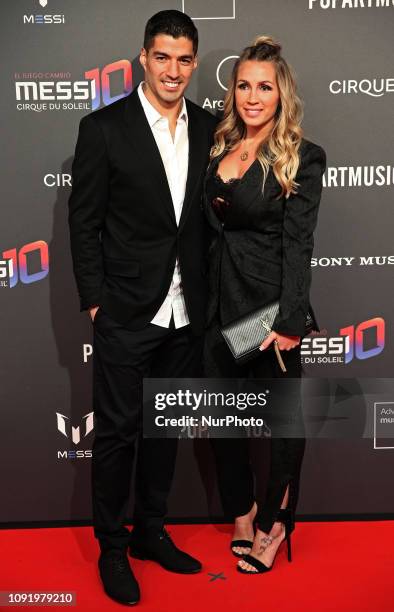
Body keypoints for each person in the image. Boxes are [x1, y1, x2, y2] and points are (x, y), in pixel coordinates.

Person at [68, 10, 217, 605]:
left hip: (188, 313)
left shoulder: (210, 127)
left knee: (164, 431)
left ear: (195, 63)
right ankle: (112, 545)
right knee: (117, 436)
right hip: (127, 312)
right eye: (162, 57)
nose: (172, 70)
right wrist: (96, 303)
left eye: (183, 59)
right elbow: (84, 224)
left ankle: (150, 533)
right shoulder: (103, 128)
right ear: (143, 58)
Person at [203, 36, 326, 574]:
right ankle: (242, 510)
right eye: (244, 85)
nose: (253, 97)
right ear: (233, 91)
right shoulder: (218, 146)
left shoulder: (302, 156)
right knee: (223, 424)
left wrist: (290, 320)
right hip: (216, 310)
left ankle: (276, 526)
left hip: (268, 314)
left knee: (282, 430)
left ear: (282, 95)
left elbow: (300, 244)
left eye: (264, 87)